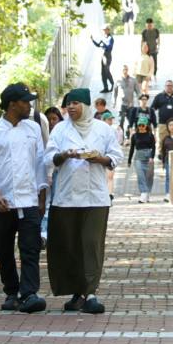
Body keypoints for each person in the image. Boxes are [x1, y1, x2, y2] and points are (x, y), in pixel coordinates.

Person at [46, 88, 122, 315]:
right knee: (70, 246)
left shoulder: (103, 129)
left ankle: (91, 292)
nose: (71, 107)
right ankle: (76, 292)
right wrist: (65, 155)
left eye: (76, 103)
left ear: (87, 106)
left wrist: (100, 159)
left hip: (95, 197)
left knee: (91, 243)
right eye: (68, 104)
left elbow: (115, 157)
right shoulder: (60, 129)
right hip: (66, 197)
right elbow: (49, 158)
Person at [0, 82, 51, 313]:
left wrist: (42, 195)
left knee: (30, 248)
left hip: (29, 200)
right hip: (4, 203)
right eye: (25, 101)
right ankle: (11, 291)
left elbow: (40, 162)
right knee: (4, 250)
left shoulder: (33, 129)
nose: (30, 105)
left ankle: (29, 293)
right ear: (12, 104)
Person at [128, 114, 157, 201]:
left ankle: (147, 193)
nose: (141, 127)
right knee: (140, 176)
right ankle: (143, 193)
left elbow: (154, 147)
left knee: (149, 176)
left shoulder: (150, 135)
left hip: (148, 156)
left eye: (142, 125)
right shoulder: (134, 136)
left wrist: (152, 157)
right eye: (139, 125)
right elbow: (132, 148)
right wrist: (129, 160)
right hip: (138, 157)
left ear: (146, 126)